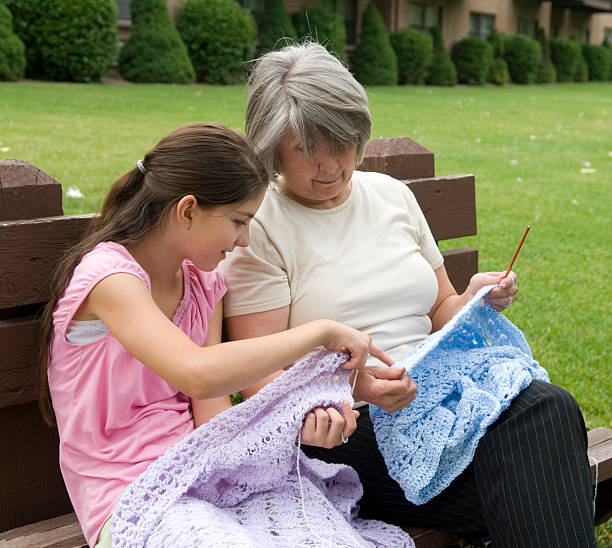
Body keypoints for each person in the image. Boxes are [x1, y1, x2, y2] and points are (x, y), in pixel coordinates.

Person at [220, 43, 596, 547]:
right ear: (271, 148)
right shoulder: (261, 225)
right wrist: (356, 391)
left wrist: (473, 298)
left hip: (441, 395)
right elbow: (257, 377)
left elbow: (440, 309)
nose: (330, 164)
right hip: (345, 426)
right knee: (540, 462)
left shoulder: (392, 194)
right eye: (308, 149)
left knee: (547, 410)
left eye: (343, 142)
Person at [38, 122, 390, 548]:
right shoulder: (109, 277)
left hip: (205, 476)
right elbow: (196, 373)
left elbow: (212, 413)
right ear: (187, 210)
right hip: (132, 497)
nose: (243, 241)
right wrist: (319, 333)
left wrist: (301, 418)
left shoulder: (204, 286)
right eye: (239, 221)